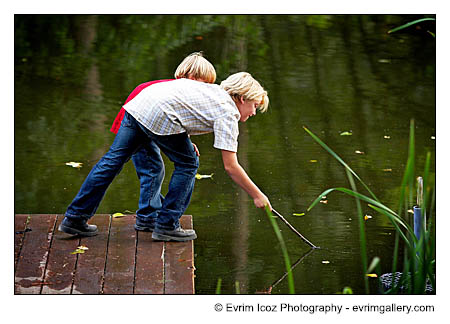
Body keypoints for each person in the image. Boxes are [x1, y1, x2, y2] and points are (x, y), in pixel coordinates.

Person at [59, 71, 272, 242]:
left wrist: (185, 140)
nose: (253, 112)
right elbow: (231, 166)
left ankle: (75, 218)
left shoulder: (212, 92)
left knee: (111, 162)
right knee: (189, 163)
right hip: (158, 113)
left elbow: (185, 109)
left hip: (139, 104)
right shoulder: (228, 112)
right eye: (254, 106)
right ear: (242, 99)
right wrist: (257, 195)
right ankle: (167, 225)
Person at [108, 52, 216, 232]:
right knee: (151, 169)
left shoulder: (176, 91)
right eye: (204, 84)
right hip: (136, 124)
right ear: (190, 78)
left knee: (153, 169)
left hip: (147, 124)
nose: (206, 90)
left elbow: (177, 121)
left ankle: (148, 215)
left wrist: (186, 141)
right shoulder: (175, 91)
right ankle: (148, 216)